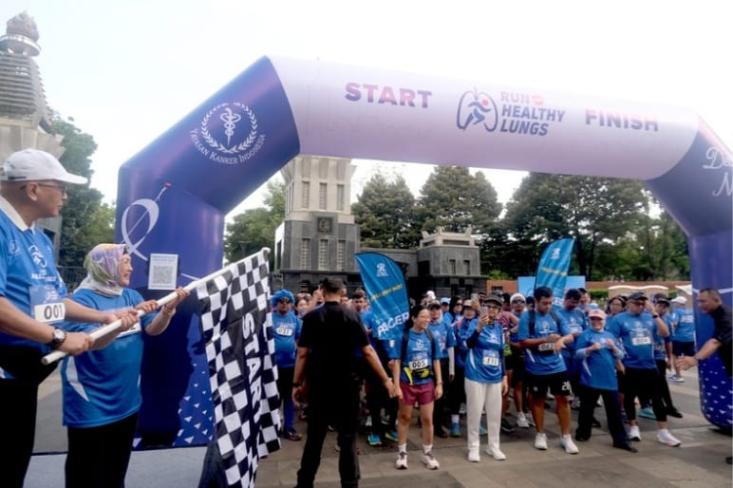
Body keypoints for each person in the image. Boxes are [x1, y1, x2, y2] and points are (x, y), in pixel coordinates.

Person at [0, 149, 137, 488]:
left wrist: (103, 314)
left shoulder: (36, 237)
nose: (65, 195)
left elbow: (54, 301)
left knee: (15, 463)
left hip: (26, 372)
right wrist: (58, 337)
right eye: (59, 186)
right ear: (33, 189)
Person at [60, 243, 189, 487]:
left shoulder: (132, 296)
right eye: (125, 262)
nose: (131, 267)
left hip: (127, 402)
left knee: (115, 472)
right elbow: (91, 344)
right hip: (90, 403)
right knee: (85, 474)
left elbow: (152, 329)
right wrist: (118, 324)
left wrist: (167, 312)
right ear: (106, 266)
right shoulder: (81, 301)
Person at [292, 277, 395, 488]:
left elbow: (302, 354)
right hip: (347, 385)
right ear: (342, 291)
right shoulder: (352, 316)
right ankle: (349, 484)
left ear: (321, 290)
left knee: (315, 438)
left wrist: (296, 384)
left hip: (320, 385)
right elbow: (367, 351)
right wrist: (386, 379)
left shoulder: (312, 318)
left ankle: (304, 483)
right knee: (348, 438)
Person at [606, 291, 681, 447]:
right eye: (637, 303)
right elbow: (610, 341)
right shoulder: (619, 319)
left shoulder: (650, 317)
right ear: (629, 303)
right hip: (629, 365)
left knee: (657, 398)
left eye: (642, 304)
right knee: (629, 396)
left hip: (650, 364)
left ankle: (663, 432)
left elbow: (665, 333)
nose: (640, 306)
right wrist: (617, 362)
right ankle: (633, 426)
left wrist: (653, 312)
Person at [518, 286, 578, 454]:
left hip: (558, 366)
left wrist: (561, 341)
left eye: (550, 303)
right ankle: (540, 433)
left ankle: (566, 436)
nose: (548, 306)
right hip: (536, 367)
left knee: (564, 399)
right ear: (536, 301)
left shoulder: (556, 314)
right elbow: (523, 342)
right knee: (538, 400)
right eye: (544, 303)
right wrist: (545, 339)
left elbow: (571, 336)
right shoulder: (527, 317)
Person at [676, 288, 732, 464]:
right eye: (698, 301)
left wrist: (695, 358)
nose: (699, 304)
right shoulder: (720, 315)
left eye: (703, 301)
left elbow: (715, 341)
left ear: (716, 300)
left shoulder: (725, 317)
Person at [574, 309, 637, 452]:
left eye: (599, 319)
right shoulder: (585, 335)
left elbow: (620, 355)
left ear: (604, 320)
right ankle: (583, 433)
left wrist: (613, 347)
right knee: (586, 410)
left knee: (614, 412)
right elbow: (577, 355)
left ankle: (620, 440)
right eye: (593, 319)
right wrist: (590, 349)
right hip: (590, 379)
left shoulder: (610, 335)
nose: (596, 322)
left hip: (609, 380)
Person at [392, 305, 443, 470]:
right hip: (407, 384)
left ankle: (428, 452)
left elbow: (436, 360)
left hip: (427, 384)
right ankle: (402, 452)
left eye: (428, 317)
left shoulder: (431, 336)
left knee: (428, 419)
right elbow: (397, 362)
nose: (427, 320)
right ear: (414, 318)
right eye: (423, 316)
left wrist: (439, 383)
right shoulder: (404, 337)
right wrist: (396, 385)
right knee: (405, 417)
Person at [463, 294, 509, 462]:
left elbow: (502, 352)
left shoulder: (499, 328)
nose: (492, 310)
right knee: (475, 413)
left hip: (495, 376)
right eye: (489, 306)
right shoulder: (475, 323)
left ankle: (493, 446)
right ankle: (473, 447)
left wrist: (504, 376)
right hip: (476, 374)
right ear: (483, 308)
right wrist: (479, 328)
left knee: (494, 413)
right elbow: (467, 344)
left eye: (495, 308)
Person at [271, 288, 303, 441]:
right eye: (281, 301)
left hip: (290, 367)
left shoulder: (295, 320)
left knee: (289, 398)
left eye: (287, 301)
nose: (284, 304)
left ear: (291, 303)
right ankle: (272, 429)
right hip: (272, 367)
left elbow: (300, 340)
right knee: (274, 399)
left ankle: (288, 428)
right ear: (275, 303)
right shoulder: (269, 319)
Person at [426, 300, 455, 438]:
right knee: (426, 393)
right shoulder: (424, 326)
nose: (434, 312)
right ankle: (426, 420)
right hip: (427, 363)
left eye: (437, 309)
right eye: (432, 309)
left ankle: (437, 424)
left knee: (440, 395)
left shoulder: (446, 326)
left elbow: (450, 347)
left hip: (442, 362)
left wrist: (451, 369)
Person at [449, 299, 476, 437]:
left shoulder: (481, 324)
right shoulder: (455, 325)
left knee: (474, 396)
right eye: (466, 308)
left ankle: (475, 424)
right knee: (457, 394)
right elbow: (451, 347)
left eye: (472, 308)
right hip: (460, 365)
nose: (469, 311)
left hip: (476, 367)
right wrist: (452, 368)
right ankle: (454, 422)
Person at [506, 293, 531, 428]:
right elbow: (504, 337)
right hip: (510, 353)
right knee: (513, 385)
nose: (519, 304)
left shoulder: (529, 317)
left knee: (525, 386)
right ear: (511, 304)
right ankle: (519, 413)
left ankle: (525, 412)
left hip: (527, 353)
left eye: (521, 301)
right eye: (515, 301)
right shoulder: (507, 317)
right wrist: (510, 332)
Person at [669, 296, 695, 382]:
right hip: (690, 338)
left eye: (675, 302)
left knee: (675, 356)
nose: (674, 304)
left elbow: (674, 324)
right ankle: (686, 367)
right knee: (690, 356)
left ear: (679, 303)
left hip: (678, 338)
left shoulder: (677, 312)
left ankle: (678, 375)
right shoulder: (691, 311)